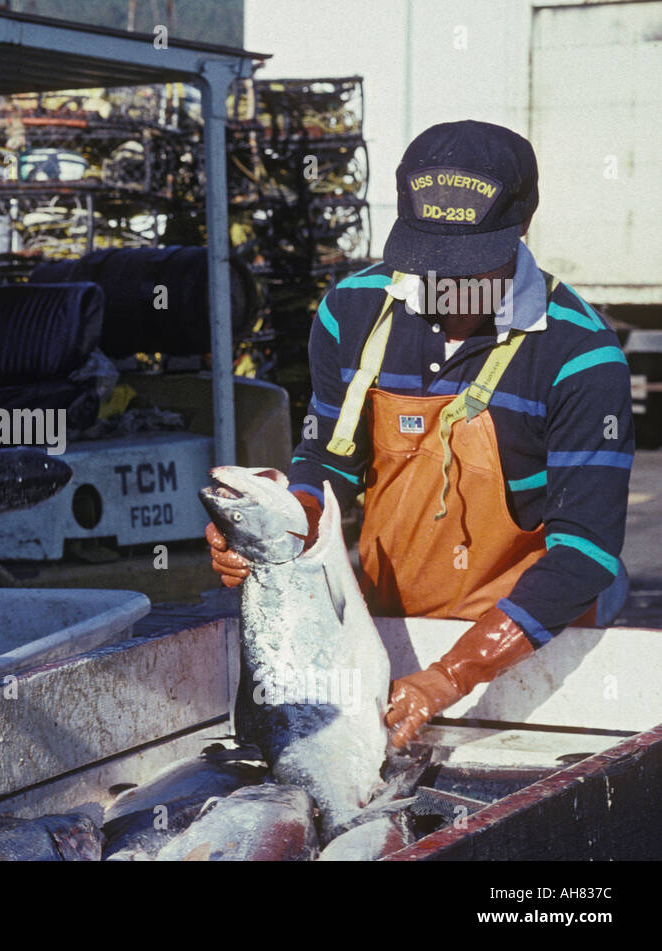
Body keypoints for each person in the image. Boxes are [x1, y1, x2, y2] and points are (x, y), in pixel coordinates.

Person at [208, 120, 633, 748]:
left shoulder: (580, 356)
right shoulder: (348, 312)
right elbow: (330, 456)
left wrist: (450, 675)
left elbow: (586, 553)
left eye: (468, 265)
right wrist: (284, 528)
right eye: (429, 262)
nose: (445, 286)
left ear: (522, 224)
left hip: (538, 648)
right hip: (388, 627)